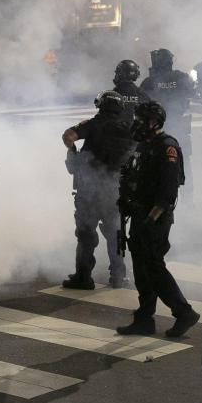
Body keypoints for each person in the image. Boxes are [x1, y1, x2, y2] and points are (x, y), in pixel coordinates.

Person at [116, 101, 200, 338]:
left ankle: (184, 312)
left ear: (154, 122)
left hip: (155, 217)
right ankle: (144, 319)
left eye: (141, 120)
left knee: (154, 266)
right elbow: (133, 176)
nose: (137, 124)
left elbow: (168, 192)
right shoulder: (143, 145)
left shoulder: (167, 147)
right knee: (141, 269)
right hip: (139, 213)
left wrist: (150, 220)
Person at [61, 91, 135, 289]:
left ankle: (83, 278)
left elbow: (68, 136)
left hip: (88, 190)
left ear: (101, 105)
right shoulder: (128, 129)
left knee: (86, 234)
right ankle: (118, 277)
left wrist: (74, 155)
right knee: (115, 234)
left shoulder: (93, 124)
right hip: (114, 190)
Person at [140, 48, 196, 199]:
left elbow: (141, 103)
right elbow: (190, 93)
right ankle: (188, 198)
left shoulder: (149, 82)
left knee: (155, 161)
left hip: (157, 130)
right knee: (184, 161)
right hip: (179, 125)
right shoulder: (181, 77)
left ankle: (159, 196)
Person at [113, 59, 150, 124]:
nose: (116, 76)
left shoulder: (112, 95)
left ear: (123, 74)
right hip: (136, 132)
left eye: (118, 73)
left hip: (116, 132)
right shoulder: (141, 94)